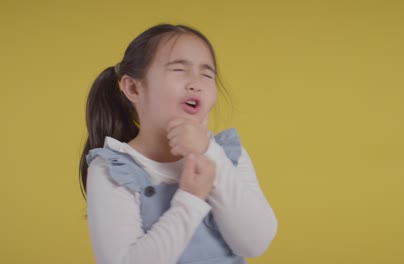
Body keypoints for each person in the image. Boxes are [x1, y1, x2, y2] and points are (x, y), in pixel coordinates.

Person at [79, 24, 277, 264]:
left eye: (207, 74)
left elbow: (255, 242)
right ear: (133, 88)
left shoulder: (226, 154)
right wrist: (191, 199)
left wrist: (208, 154)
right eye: (179, 69)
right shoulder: (113, 169)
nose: (196, 83)